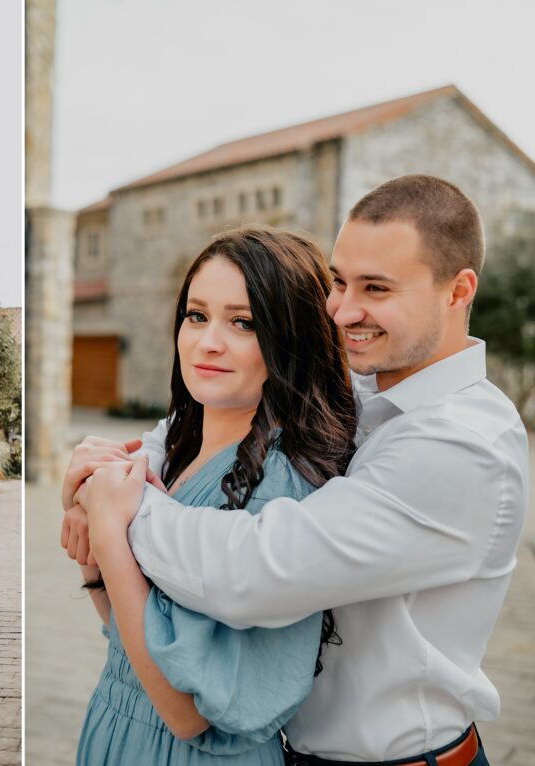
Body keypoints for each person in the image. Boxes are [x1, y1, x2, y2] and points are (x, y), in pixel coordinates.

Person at [65, 175, 528, 765]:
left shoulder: (464, 445)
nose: (342, 308)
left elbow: (255, 571)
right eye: (339, 281)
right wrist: (110, 469)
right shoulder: (368, 382)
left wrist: (114, 512)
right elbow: (198, 427)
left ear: (458, 290)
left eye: (377, 288)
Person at [71, 227, 357, 765]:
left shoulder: (283, 485)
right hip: (118, 722)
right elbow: (131, 635)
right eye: (196, 315)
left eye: (243, 323)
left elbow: (188, 712)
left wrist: (110, 530)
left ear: (290, 341)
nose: (207, 342)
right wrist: (89, 541)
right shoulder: (178, 452)